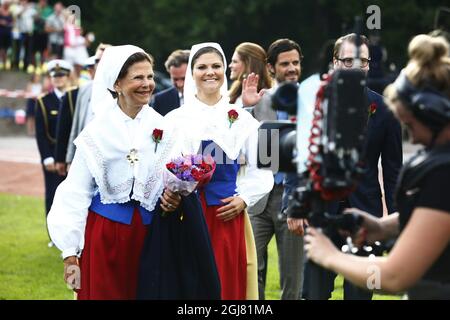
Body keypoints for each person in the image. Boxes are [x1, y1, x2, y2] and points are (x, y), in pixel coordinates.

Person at [304, 34, 450, 300]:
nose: (413, 138)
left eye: (412, 125)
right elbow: (434, 212)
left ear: (435, 112)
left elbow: (394, 277)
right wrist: (386, 227)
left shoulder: (441, 171)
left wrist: (330, 256)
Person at [46, 45, 190, 300]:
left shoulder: (164, 127)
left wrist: (174, 197)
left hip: (152, 235)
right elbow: (76, 191)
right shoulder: (97, 131)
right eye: (138, 77)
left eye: (149, 77)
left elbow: (175, 179)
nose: (147, 84)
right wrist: (70, 250)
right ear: (117, 84)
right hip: (106, 235)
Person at [288, 33, 403, 300]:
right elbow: (296, 159)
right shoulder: (312, 103)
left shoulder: (384, 108)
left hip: (365, 215)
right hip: (319, 212)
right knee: (312, 293)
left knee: (360, 294)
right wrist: (294, 205)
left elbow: (393, 169)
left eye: (362, 61)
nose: (356, 66)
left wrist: (395, 223)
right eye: (348, 60)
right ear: (335, 63)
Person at [165, 42, 274, 300]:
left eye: (216, 66)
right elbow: (162, 167)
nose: (210, 72)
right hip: (186, 215)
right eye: (202, 67)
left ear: (225, 70)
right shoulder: (173, 120)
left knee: (226, 283)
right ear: (192, 73)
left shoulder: (243, 119)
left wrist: (244, 199)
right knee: (190, 281)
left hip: (225, 213)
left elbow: (264, 168)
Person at [242, 38, 305, 300]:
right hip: (258, 196)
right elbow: (238, 141)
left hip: (293, 197)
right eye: (285, 64)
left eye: (296, 63)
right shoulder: (259, 99)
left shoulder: (313, 99)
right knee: (250, 269)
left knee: (293, 279)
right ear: (270, 68)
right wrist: (245, 107)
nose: (292, 68)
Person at [34, 59, 72, 247]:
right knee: (53, 196)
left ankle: (71, 236)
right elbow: (40, 134)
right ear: (51, 78)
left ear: (67, 77)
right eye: (55, 76)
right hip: (51, 158)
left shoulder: (73, 98)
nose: (59, 79)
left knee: (73, 197)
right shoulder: (43, 101)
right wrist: (47, 157)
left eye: (62, 75)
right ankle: (54, 237)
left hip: (70, 157)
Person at [65, 43, 111, 165]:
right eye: (97, 60)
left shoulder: (121, 91)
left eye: (103, 60)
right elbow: (76, 126)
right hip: (83, 156)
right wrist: (70, 159)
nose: (99, 64)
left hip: (108, 158)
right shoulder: (84, 89)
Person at [228, 42, 272, 107]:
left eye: (235, 62)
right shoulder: (234, 92)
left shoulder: (266, 97)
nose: (230, 65)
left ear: (248, 64)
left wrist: (249, 106)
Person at [151, 49, 190, 115]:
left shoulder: (210, 97)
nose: (180, 84)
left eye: (184, 79)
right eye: (175, 79)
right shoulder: (160, 100)